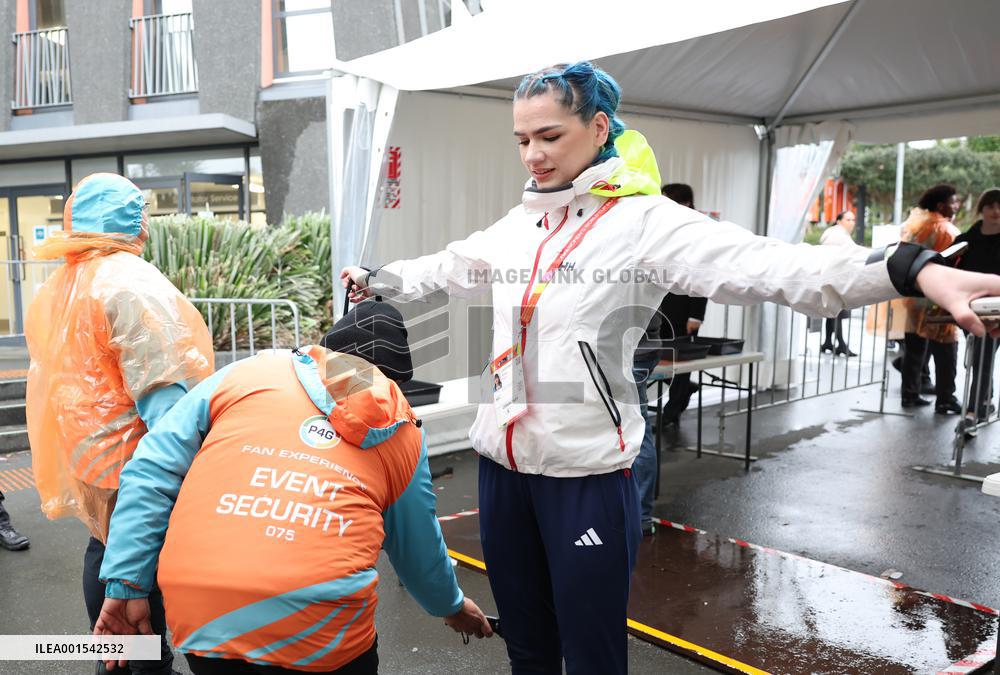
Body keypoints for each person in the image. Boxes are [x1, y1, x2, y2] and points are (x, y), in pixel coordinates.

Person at [339, 61, 1000, 675]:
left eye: (549, 135)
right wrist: (379, 278)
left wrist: (906, 268)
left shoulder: (644, 221)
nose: (533, 155)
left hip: (587, 475)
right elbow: (454, 266)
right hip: (504, 471)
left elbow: (773, 267)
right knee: (529, 643)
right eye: (521, 140)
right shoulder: (522, 222)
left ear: (598, 128)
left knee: (593, 648)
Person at [94, 300, 491, 674]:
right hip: (320, 631)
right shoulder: (399, 430)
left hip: (204, 614)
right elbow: (417, 548)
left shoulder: (246, 375)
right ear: (395, 380)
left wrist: (126, 582)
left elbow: (150, 468)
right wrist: (452, 608)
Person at [24, 173, 214, 675]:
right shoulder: (130, 283)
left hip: (89, 453)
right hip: (138, 458)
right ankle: (145, 663)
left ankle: (116, 660)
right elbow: (165, 398)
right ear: (133, 219)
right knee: (142, 576)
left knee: (105, 548)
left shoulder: (63, 283)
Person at [898, 184, 963, 413]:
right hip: (939, 300)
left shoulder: (915, 226)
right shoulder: (947, 230)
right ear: (940, 205)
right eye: (953, 202)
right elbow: (957, 264)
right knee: (946, 351)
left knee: (914, 350)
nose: (956, 206)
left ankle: (909, 394)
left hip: (914, 299)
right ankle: (945, 398)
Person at [955, 188, 1000, 437]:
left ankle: (972, 412)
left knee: (983, 360)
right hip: (971, 309)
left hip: (997, 310)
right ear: (981, 209)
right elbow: (948, 268)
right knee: (981, 359)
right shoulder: (965, 240)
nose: (996, 211)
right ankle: (980, 405)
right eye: (991, 205)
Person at [818, 210, 861, 356]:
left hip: (834, 280)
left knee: (833, 313)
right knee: (836, 312)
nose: (852, 223)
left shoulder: (838, 235)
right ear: (839, 221)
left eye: (853, 220)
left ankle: (828, 342)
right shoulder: (836, 236)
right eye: (848, 220)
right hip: (835, 280)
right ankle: (840, 344)